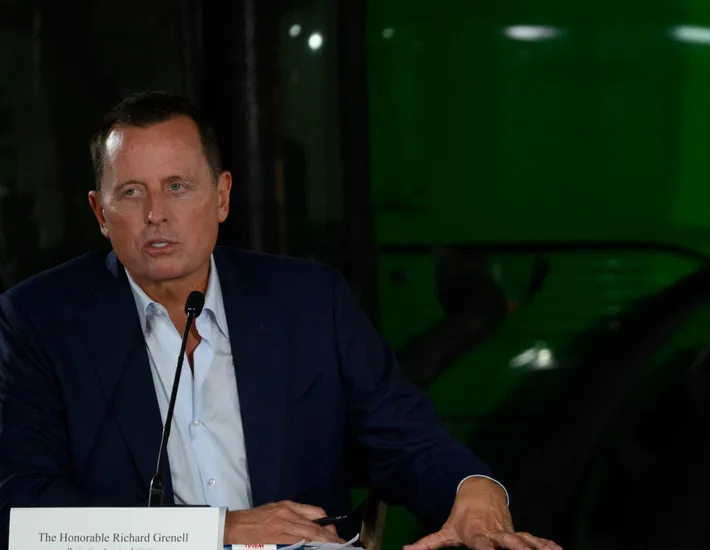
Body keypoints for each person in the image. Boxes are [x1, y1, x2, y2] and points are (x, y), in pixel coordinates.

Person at [0, 91, 559, 550]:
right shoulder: (41, 320)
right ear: (101, 213)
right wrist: (215, 529)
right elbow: (25, 508)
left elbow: (402, 433)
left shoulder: (308, 299)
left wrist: (476, 491)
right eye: (132, 193)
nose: (157, 215)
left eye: (178, 186)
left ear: (221, 196)